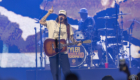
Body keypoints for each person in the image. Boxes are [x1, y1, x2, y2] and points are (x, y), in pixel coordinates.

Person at [39, 6, 81, 80]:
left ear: (65, 17)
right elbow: (41, 21)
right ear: (58, 16)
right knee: (54, 72)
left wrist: (76, 42)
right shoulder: (51, 23)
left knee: (67, 71)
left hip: (63, 52)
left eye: (63, 15)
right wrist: (48, 13)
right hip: (52, 50)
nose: (61, 16)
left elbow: (71, 37)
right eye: (60, 15)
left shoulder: (68, 26)